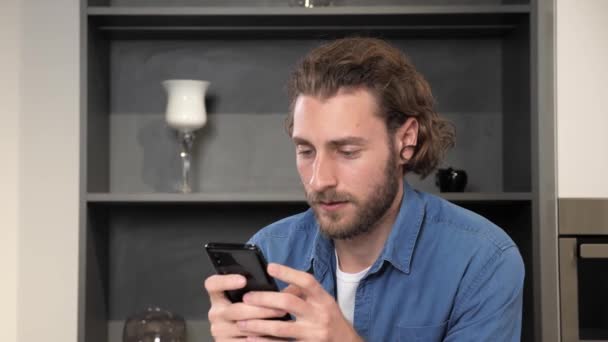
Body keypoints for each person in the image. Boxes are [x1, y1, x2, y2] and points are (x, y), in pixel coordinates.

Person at [203, 37, 525, 341]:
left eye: (347, 152)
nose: (319, 180)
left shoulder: (483, 260)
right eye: (306, 151)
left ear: (405, 140)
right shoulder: (271, 250)